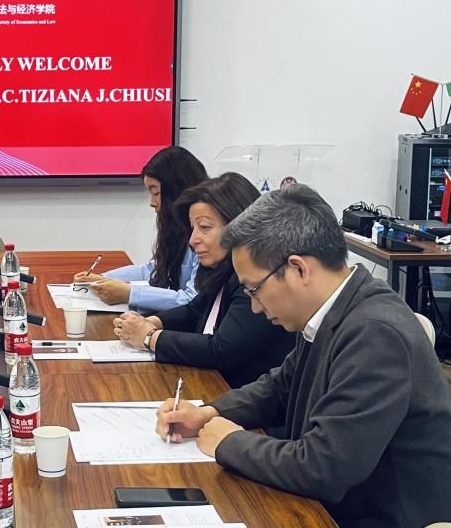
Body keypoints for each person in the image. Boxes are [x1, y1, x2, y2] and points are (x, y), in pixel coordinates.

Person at [156, 184, 451, 527]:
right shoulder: (336, 309)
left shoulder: (375, 333)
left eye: (254, 289)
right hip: (335, 506)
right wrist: (208, 413)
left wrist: (230, 442)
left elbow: (324, 467)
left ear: (298, 269)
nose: (255, 306)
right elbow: (280, 385)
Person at [113, 173, 295, 388]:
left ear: (240, 225)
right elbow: (194, 311)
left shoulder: (258, 279)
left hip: (239, 394)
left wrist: (149, 337)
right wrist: (150, 322)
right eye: (193, 228)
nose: (193, 240)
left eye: (205, 228)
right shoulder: (222, 270)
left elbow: (223, 350)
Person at [75, 146, 208, 312]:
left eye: (156, 193)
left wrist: (129, 293)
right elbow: (154, 269)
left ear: (177, 190)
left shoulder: (205, 237)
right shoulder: (177, 228)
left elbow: (192, 300)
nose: (152, 203)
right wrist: (103, 280)